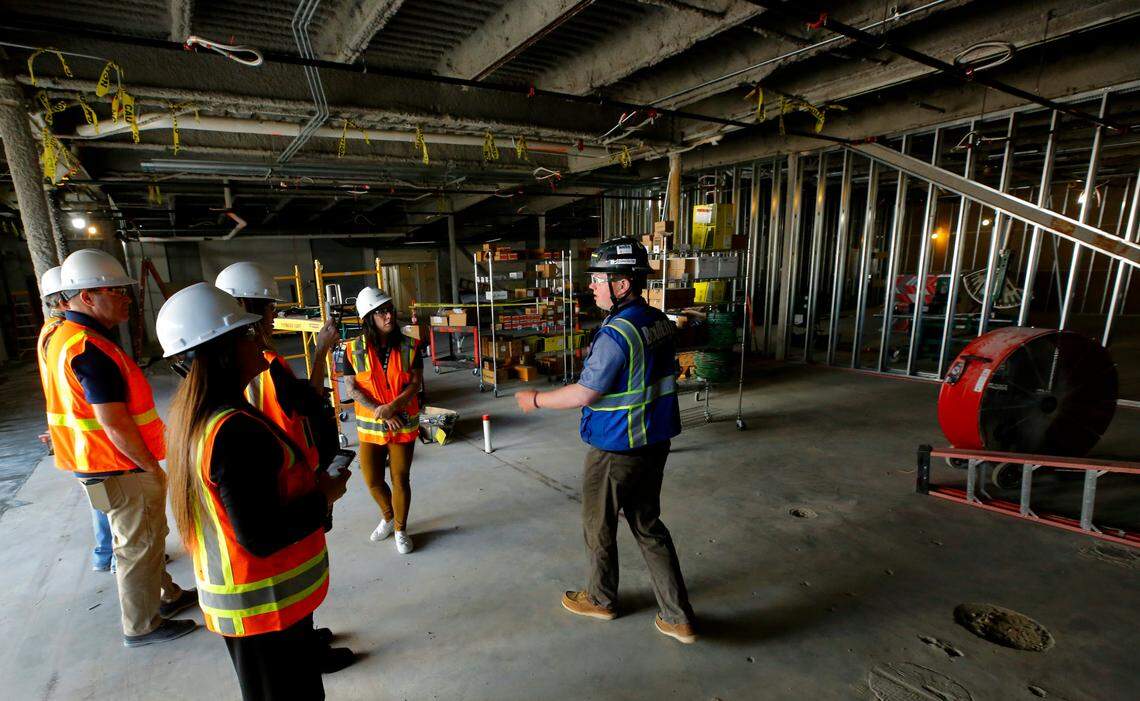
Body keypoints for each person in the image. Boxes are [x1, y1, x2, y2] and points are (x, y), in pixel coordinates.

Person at [157, 282, 351, 701]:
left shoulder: (208, 417)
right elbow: (260, 534)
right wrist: (324, 496)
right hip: (262, 606)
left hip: (257, 607)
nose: (259, 340)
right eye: (246, 334)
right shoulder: (234, 433)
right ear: (221, 353)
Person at [515, 236, 696, 644]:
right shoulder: (657, 321)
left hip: (617, 447)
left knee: (597, 525)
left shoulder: (618, 333)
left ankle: (600, 599)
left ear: (622, 284)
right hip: (656, 442)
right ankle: (678, 616)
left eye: (599, 278)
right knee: (647, 524)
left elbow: (585, 393)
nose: (592, 285)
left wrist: (536, 400)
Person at [43, 248, 197, 647]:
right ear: (87, 297)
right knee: (138, 544)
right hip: (119, 466)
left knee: (140, 537)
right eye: (118, 291)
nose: (128, 298)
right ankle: (142, 626)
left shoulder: (58, 335)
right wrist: (150, 466)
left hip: (93, 464)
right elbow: (113, 421)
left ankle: (168, 595)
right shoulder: (89, 349)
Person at [215, 261, 355, 673]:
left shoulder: (255, 363)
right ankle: (306, 647)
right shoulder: (265, 364)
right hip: (286, 482)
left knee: (296, 566)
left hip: (287, 474)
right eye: (268, 309)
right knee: (291, 564)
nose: (274, 316)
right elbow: (305, 403)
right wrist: (322, 350)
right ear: (246, 310)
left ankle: (306, 636)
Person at [37, 265, 114, 573]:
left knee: (103, 503)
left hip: (77, 437)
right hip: (90, 443)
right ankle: (109, 556)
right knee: (107, 505)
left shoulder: (52, 335)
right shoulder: (71, 338)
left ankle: (106, 555)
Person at [338, 287, 423, 554]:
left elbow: (415, 383)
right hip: (371, 426)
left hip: (402, 423)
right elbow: (352, 389)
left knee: (400, 478)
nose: (388, 316)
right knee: (372, 479)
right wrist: (381, 411)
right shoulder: (352, 350)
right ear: (368, 318)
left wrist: (393, 407)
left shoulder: (410, 345)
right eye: (380, 312)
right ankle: (387, 516)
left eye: (389, 309)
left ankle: (400, 528)